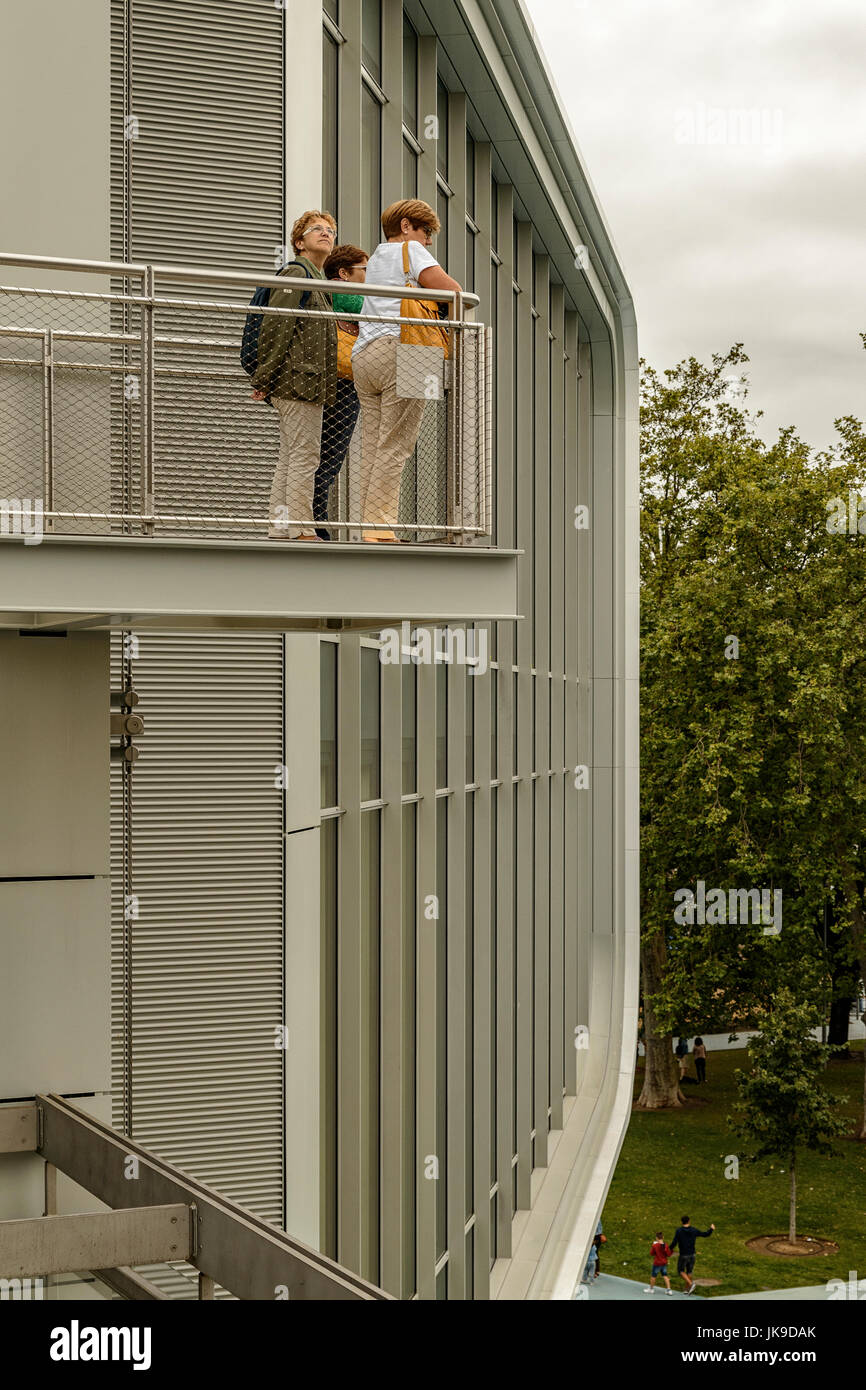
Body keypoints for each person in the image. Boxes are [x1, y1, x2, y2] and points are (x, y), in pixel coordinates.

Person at [351, 199, 462, 543]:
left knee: (373, 445)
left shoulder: (377, 256)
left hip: (364, 355)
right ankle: (380, 529)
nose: (428, 240)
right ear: (405, 227)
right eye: (426, 231)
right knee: (397, 445)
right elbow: (454, 292)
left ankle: (365, 526)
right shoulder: (411, 250)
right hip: (409, 349)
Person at [250, 210, 338, 541]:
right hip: (297, 383)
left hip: (305, 382)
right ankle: (301, 529)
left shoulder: (316, 280)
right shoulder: (296, 273)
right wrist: (264, 379)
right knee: (304, 455)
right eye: (317, 229)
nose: (326, 233)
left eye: (330, 230)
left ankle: (281, 525)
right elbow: (276, 327)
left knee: (291, 457)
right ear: (299, 242)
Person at [314, 244, 369, 539]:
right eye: (365, 271)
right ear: (344, 273)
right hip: (341, 381)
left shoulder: (338, 293)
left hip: (339, 381)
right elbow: (365, 309)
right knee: (329, 457)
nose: (369, 277)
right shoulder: (340, 289)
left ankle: (315, 522)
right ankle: (317, 524)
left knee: (323, 457)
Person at [669, 1215, 715, 1295]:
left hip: (683, 1254)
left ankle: (691, 1284)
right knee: (689, 1271)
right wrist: (711, 1229)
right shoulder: (693, 1230)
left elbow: (674, 1243)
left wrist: (668, 1249)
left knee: (680, 1271)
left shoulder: (679, 1231)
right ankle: (687, 1290)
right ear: (689, 1221)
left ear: (681, 1222)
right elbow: (705, 1234)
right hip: (692, 1254)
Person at [644, 1231, 673, 1295]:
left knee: (653, 1276)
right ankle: (669, 1290)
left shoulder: (655, 1245)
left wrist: (653, 1246)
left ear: (656, 1238)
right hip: (664, 1263)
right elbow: (668, 1254)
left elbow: (651, 1253)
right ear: (663, 1237)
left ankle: (651, 1289)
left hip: (657, 1263)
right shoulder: (666, 1245)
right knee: (665, 1275)